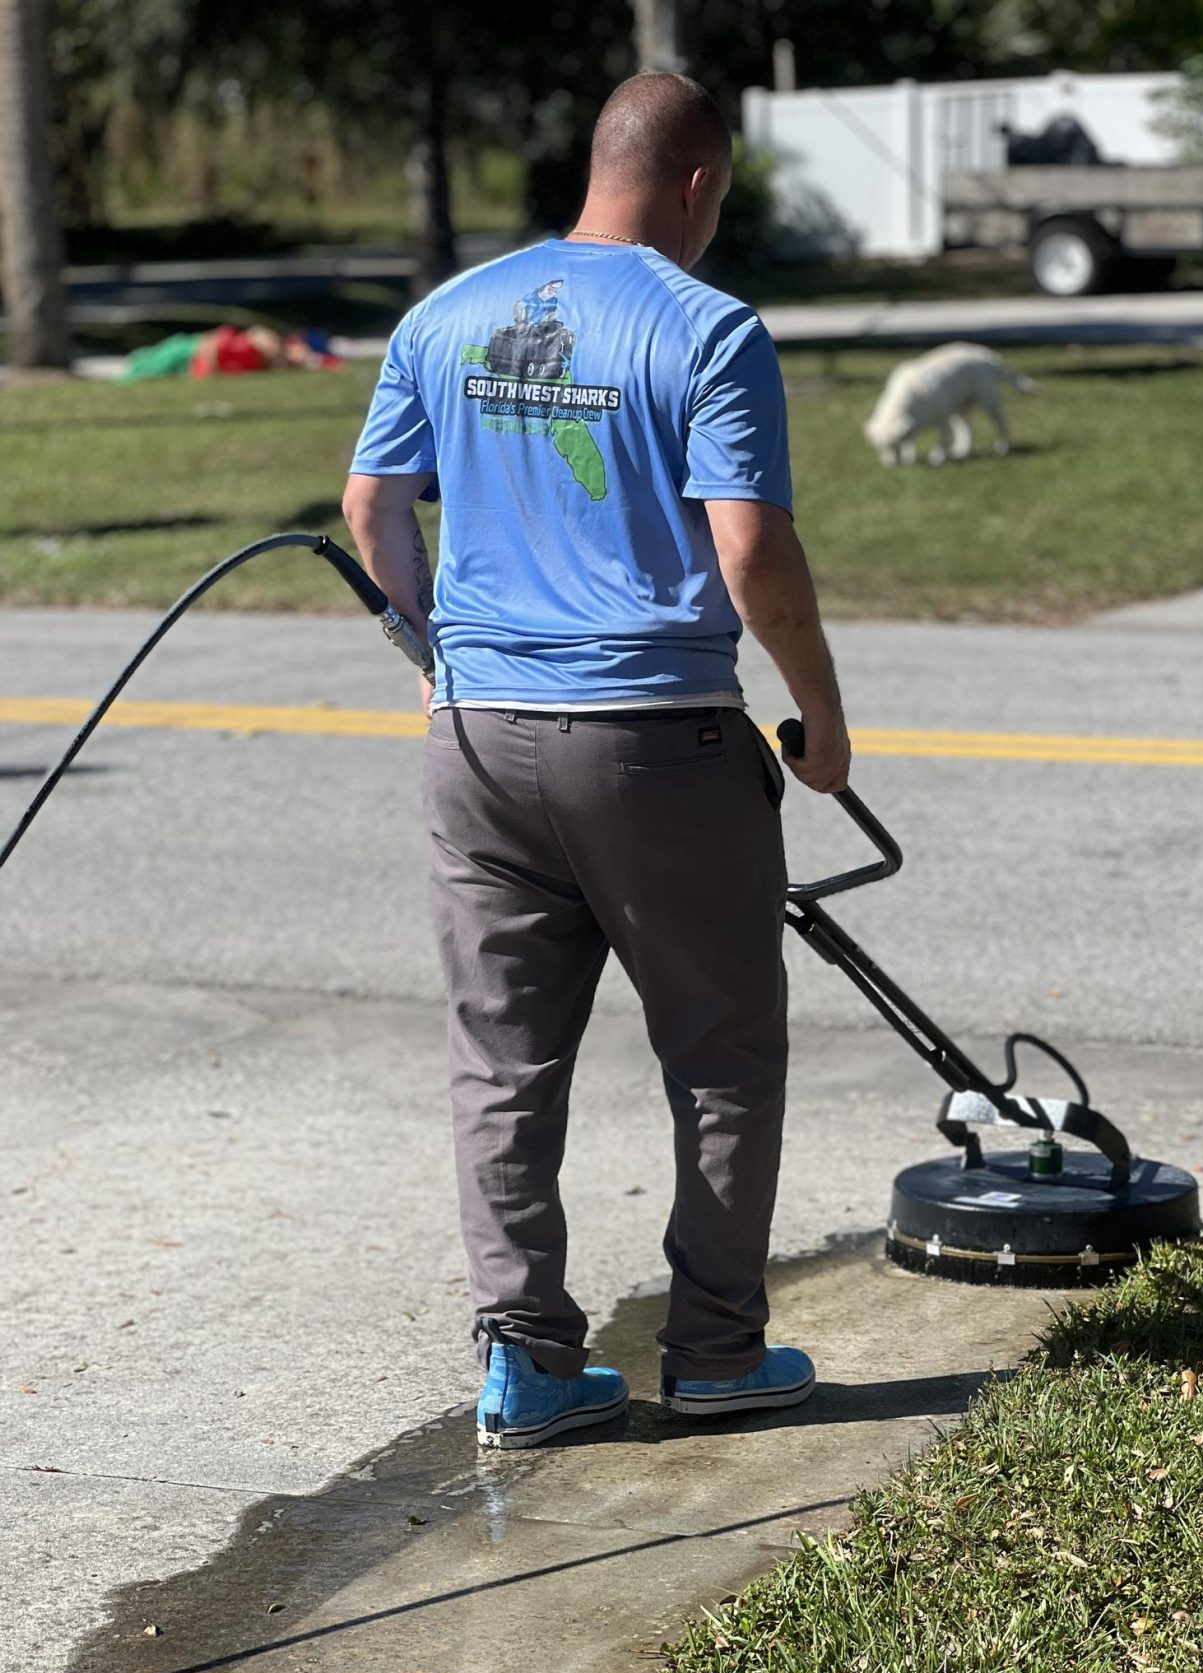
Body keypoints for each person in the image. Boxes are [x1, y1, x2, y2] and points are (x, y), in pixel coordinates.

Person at [343, 72, 850, 1450]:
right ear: (696, 187)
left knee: (502, 1062)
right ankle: (717, 1356)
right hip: (657, 745)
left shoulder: (445, 316)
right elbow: (748, 549)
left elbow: (372, 507)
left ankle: (525, 1365)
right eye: (723, 200)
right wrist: (823, 716)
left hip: (476, 744)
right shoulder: (709, 327)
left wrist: (442, 660)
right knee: (723, 1055)